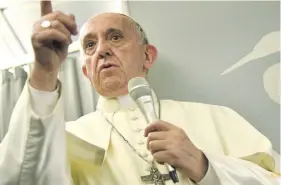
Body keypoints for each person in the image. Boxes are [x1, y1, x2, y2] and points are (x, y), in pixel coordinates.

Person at [0, 1, 280, 185]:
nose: (102, 50)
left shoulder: (217, 118)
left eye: (115, 37)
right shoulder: (67, 138)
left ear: (148, 56)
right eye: (89, 45)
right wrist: (44, 72)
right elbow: (17, 177)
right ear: (85, 72)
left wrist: (206, 167)